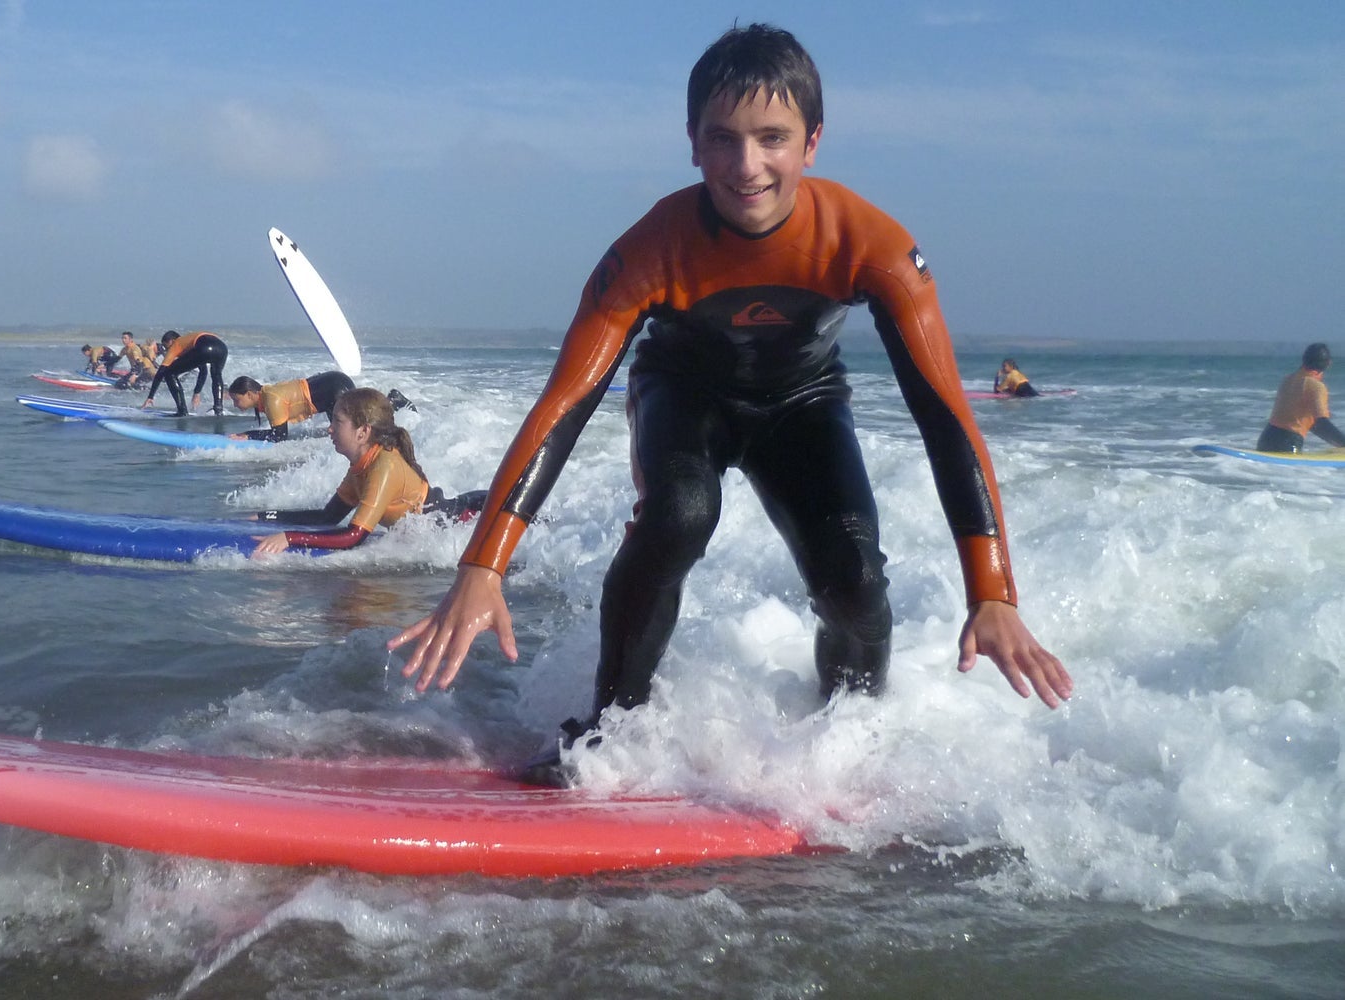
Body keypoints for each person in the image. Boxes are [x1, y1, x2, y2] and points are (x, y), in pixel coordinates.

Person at [388, 23, 1072, 786]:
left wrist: (993, 593)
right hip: (683, 394)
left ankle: (850, 745)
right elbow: (565, 403)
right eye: (723, 140)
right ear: (692, 144)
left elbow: (944, 416)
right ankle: (609, 733)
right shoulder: (652, 248)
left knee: (854, 579)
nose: (747, 166)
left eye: (771, 137)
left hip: (804, 403)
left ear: (812, 142)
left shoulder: (870, 245)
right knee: (680, 513)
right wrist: (484, 566)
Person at [251, 388, 483, 554]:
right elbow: (328, 517)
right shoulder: (362, 465)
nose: (330, 429)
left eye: (337, 422)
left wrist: (289, 538)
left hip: (477, 516)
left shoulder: (385, 466)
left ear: (362, 432)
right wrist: (266, 516)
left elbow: (354, 537)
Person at [1256, 343, 1345, 453]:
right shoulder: (1316, 386)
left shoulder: (1288, 379)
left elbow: (1313, 424)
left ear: (1304, 360)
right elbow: (1321, 423)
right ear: (1328, 364)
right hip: (1288, 444)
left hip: (1266, 439)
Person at [227, 371, 356, 441]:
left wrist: (248, 435)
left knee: (348, 435)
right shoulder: (267, 395)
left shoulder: (272, 400)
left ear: (249, 395)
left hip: (335, 388)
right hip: (333, 382)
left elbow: (280, 436)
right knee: (343, 433)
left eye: (237, 400)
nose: (235, 404)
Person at [141, 330, 229, 416]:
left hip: (204, 348)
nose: (166, 350)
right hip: (222, 348)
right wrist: (197, 393)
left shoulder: (177, 343)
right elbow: (203, 371)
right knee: (216, 375)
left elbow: (161, 372)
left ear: (172, 341)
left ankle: (182, 411)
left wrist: (150, 396)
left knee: (169, 373)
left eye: (166, 346)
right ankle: (218, 409)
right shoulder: (189, 343)